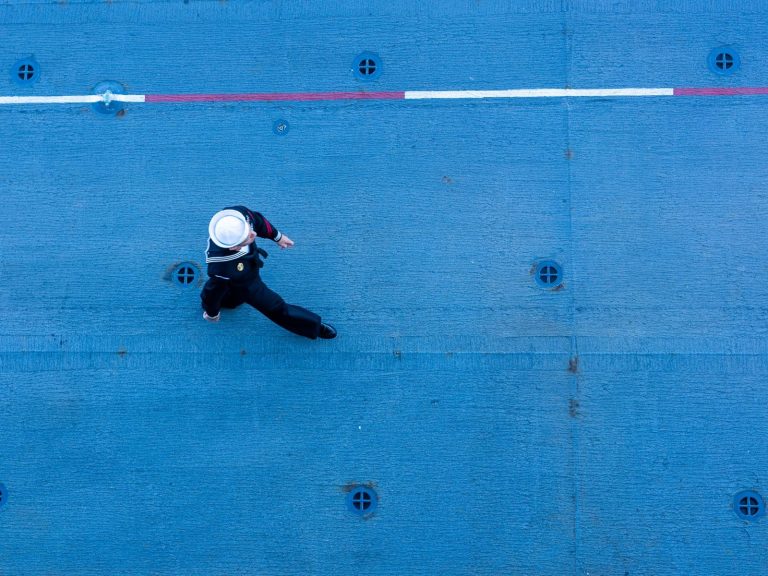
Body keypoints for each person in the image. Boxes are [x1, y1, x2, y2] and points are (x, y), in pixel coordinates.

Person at [200, 206, 337, 339]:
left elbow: (258, 221)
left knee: (230, 297)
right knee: (275, 307)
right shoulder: (221, 268)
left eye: (248, 229)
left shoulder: (238, 216)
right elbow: (213, 291)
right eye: (248, 238)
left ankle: (230, 301)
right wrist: (212, 312)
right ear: (234, 247)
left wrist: (277, 237)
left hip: (244, 269)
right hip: (246, 284)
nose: (253, 234)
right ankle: (314, 326)